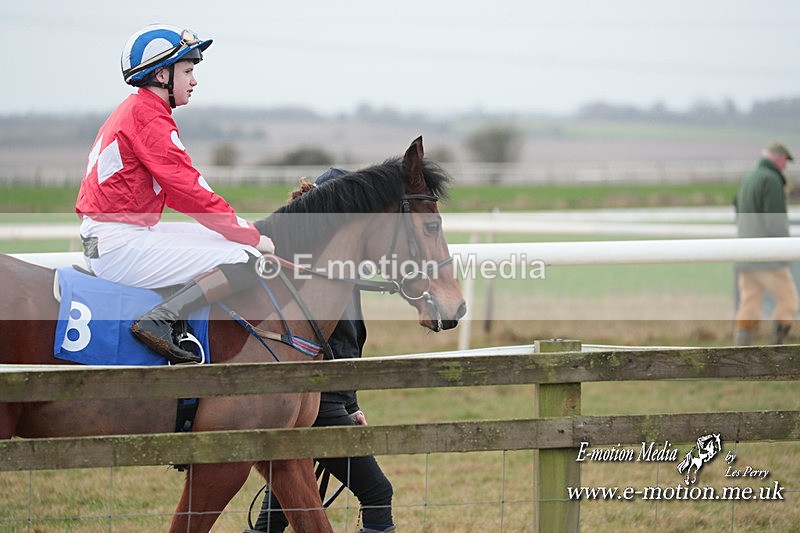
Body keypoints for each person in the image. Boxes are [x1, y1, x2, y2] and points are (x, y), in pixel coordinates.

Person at [75, 24, 274, 364]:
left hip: (116, 234)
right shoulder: (147, 116)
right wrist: (250, 235)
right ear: (161, 74)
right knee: (245, 257)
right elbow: (188, 191)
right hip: (119, 242)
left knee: (230, 245)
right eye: (187, 71)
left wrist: (240, 231)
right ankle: (160, 320)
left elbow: (186, 189)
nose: (194, 81)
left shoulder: (137, 109)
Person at [247, 169, 395, 533]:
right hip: (317, 404)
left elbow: (345, 348)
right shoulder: (316, 276)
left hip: (325, 401)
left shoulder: (340, 273)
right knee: (377, 492)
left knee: (283, 503)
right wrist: (339, 407)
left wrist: (352, 405)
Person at [733, 142, 798, 345]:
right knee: (789, 302)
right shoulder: (771, 180)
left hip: (744, 254)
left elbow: (736, 207)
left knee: (749, 304)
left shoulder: (750, 177)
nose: (785, 167)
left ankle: (738, 355)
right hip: (767, 257)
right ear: (778, 158)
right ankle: (774, 354)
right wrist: (786, 250)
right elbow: (775, 222)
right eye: (785, 162)